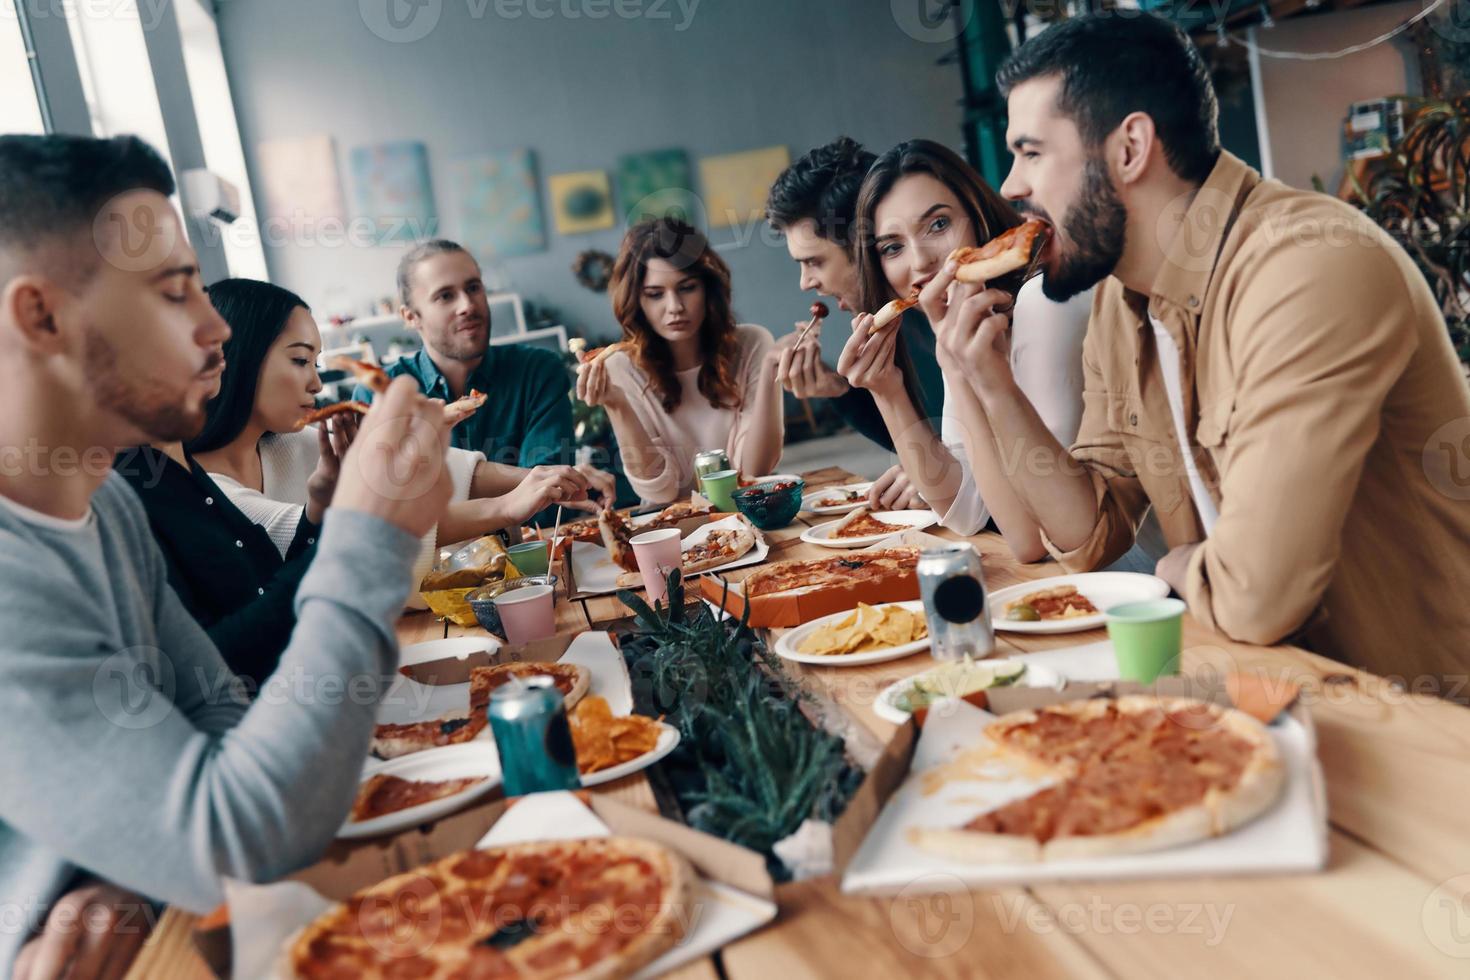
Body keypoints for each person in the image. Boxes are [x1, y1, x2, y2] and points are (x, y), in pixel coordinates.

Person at [0, 133, 452, 974]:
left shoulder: (107, 507)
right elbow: (234, 836)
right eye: (175, 295)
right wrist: (368, 537)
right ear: (44, 317)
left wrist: (143, 871)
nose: (214, 329)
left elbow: (216, 712)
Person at [945, 13, 1470, 679]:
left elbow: (1254, 597)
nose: (1012, 189)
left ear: (1130, 148)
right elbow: (1090, 536)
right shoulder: (1118, 299)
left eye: (1031, 153)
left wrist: (1176, 565)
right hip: (1271, 694)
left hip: (1422, 720)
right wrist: (992, 385)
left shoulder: (1305, 266)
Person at [189, 279, 590, 584]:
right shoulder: (200, 490)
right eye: (299, 360)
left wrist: (541, 479)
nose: (316, 384)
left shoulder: (290, 441)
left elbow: (448, 469)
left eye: (316, 363)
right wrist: (504, 507)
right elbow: (357, 535)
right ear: (235, 358)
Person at [835, 138, 1093, 561]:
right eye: (893, 247)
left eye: (938, 225)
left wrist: (957, 366)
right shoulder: (963, 320)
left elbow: (1029, 538)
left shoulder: (1042, 303)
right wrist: (887, 391)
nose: (920, 262)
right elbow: (965, 508)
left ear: (978, 217)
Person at [355, 239, 616, 510]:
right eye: (445, 296)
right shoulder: (378, 396)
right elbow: (395, 506)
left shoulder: (538, 370)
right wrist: (529, 483)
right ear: (410, 317)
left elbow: (547, 496)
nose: (467, 305)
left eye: (473, 287)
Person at [764, 138, 934, 510]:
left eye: (814, 262)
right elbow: (919, 436)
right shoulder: (893, 319)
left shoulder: (942, 312)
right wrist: (838, 390)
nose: (806, 283)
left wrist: (943, 471)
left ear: (862, 246)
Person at [575, 217, 784, 503]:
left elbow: (755, 471)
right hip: (677, 529)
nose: (675, 307)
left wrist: (772, 374)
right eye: (655, 294)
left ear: (707, 288)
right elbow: (659, 492)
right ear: (637, 300)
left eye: (687, 288)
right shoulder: (620, 367)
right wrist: (617, 405)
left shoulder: (753, 344)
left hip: (752, 510)